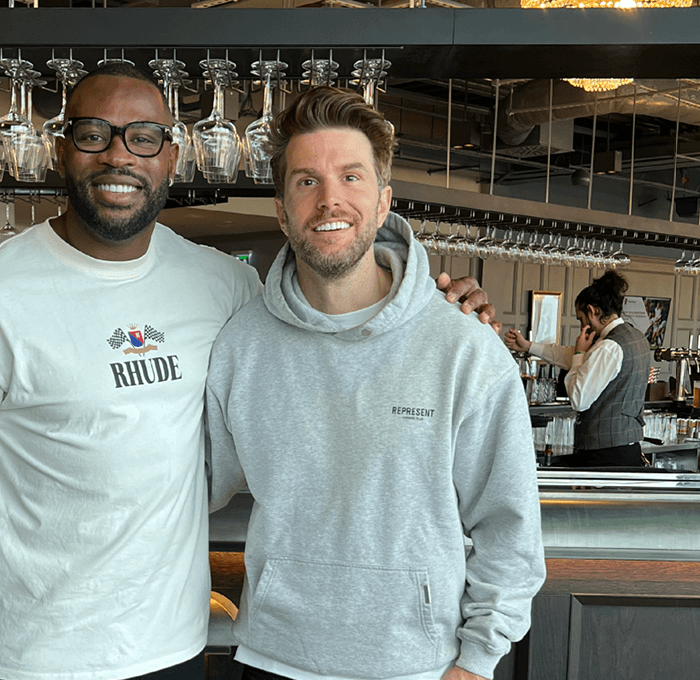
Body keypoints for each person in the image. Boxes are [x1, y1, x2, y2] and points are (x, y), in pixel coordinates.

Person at [0, 63, 498, 680]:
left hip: (180, 648)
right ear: (60, 149)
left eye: (143, 137)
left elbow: (327, 320)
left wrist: (433, 306)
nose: (118, 155)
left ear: (172, 156)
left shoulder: (226, 286)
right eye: (92, 134)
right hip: (37, 658)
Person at [206, 87, 545, 680]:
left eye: (352, 177)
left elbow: (509, 526)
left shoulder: (464, 347)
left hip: (416, 666)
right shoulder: (241, 344)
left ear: (384, 201)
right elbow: (196, 484)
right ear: (282, 211)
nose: (329, 198)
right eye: (306, 180)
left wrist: (479, 659)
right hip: (272, 659)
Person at [503, 271, 650, 467]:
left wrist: (580, 354)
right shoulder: (636, 337)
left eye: (581, 318)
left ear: (592, 311)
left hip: (604, 453)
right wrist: (529, 346)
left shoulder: (608, 347)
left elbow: (579, 400)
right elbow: (567, 355)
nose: (582, 326)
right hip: (628, 447)